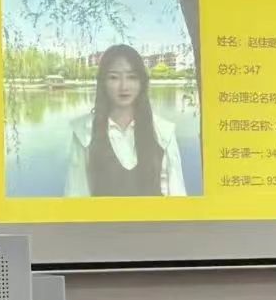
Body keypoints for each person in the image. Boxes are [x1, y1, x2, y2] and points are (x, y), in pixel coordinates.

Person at [65, 44, 187, 198]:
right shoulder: (84, 131)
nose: (124, 86)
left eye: (132, 77)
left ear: (142, 82)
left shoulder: (163, 131)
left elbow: (177, 196)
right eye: (114, 77)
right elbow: (76, 195)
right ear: (103, 82)